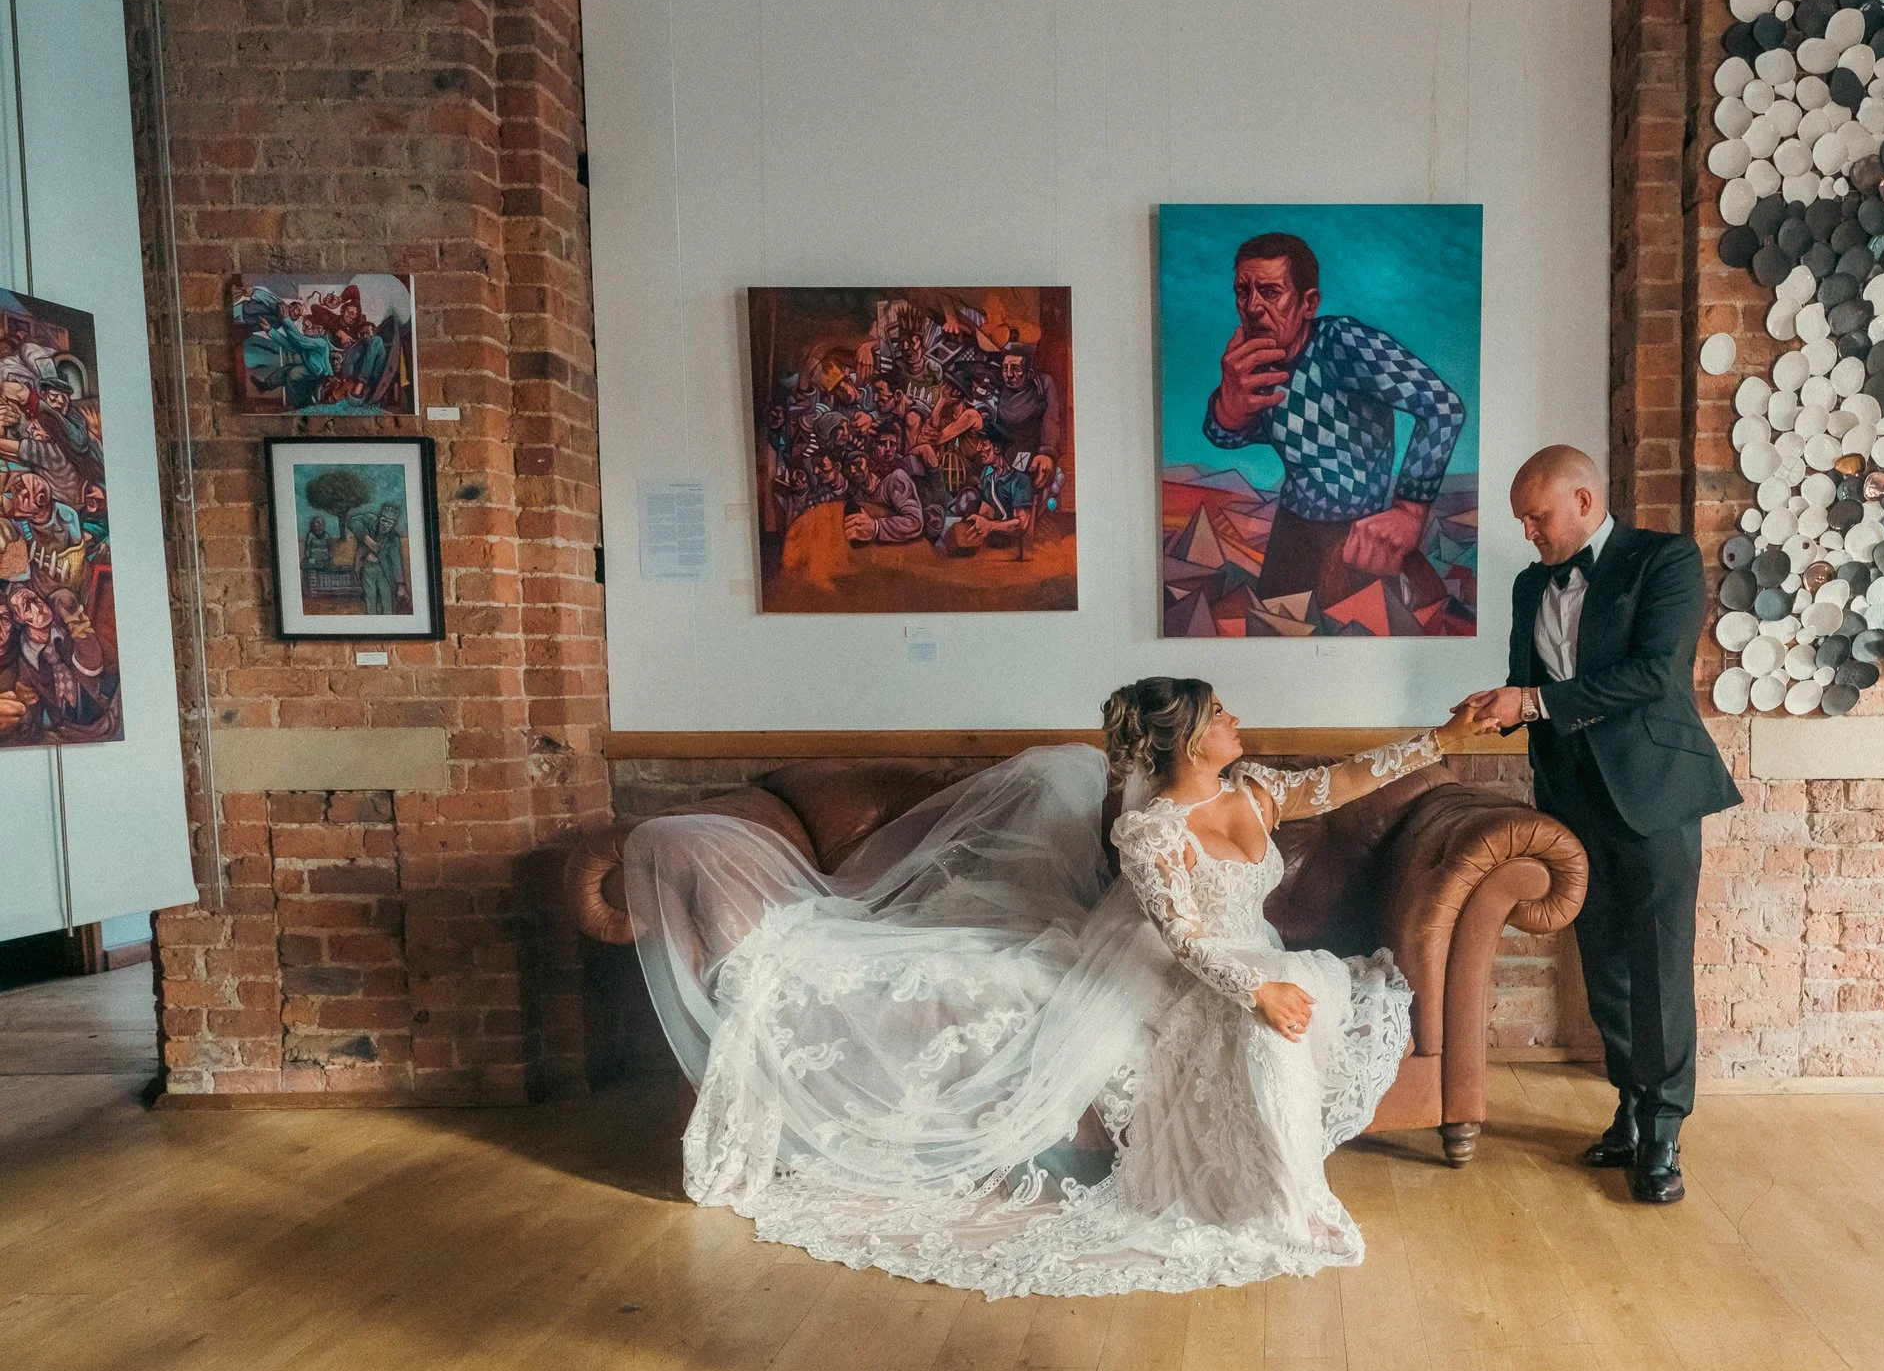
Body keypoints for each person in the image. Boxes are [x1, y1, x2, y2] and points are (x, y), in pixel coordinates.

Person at [619, 681, 1492, 1298]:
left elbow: (1346, 780)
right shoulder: (1150, 832)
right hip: (1179, 976)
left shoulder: (1258, 793)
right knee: (1266, 1026)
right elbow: (1183, 940)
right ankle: (1281, 1205)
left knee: (1302, 1014)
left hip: (1256, 960)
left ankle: (1287, 1196)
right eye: (1221, 713)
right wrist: (1251, 994)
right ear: (1188, 741)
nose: (1237, 721)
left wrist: (1444, 738)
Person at [1461, 445, 1740, 1206]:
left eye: (1536, 515)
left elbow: (1657, 673)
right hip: (1573, 802)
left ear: (1584, 502)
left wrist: (1537, 704)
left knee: (1657, 966)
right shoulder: (1529, 585)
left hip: (1653, 793)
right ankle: (1627, 1106)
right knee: (1606, 966)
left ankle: (1665, 1129)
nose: (1527, 531)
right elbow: (1533, 686)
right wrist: (1501, 705)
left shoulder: (1665, 560)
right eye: (1522, 517)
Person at [1202, 232, 1467, 611]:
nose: (1253, 306)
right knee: (1275, 637)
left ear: (1309, 303)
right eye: (1243, 292)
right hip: (1292, 535)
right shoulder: (1258, 362)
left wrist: (1410, 510)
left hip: (1359, 538)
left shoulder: (1343, 343)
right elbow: (1229, 435)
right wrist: (1227, 409)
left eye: (1271, 291)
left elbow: (1443, 406)